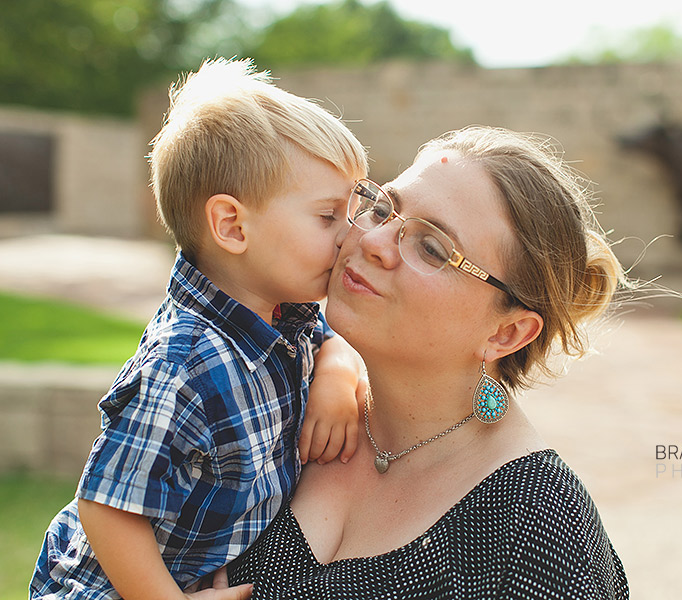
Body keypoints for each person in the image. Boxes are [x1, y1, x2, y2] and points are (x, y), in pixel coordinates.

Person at [224, 126, 630, 599]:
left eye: (432, 247)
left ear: (507, 332)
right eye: (383, 208)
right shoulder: (274, 394)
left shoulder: (539, 530)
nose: (375, 239)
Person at [30, 58, 369, 599]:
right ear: (232, 226)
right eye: (328, 216)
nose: (350, 235)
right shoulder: (185, 362)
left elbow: (327, 337)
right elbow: (106, 506)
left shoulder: (286, 313)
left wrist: (335, 366)